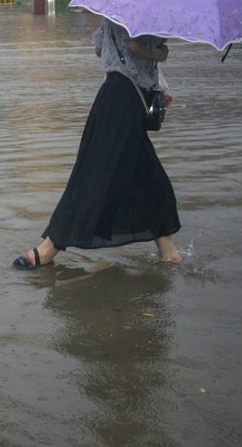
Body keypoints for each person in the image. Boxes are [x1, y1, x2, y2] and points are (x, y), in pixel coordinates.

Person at [13, 18, 182, 269]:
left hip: (115, 96)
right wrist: (161, 52)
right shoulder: (142, 15)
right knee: (95, 177)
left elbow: (99, 49)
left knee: (149, 178)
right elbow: (136, 46)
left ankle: (168, 252)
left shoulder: (116, 11)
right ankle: (48, 248)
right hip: (123, 103)